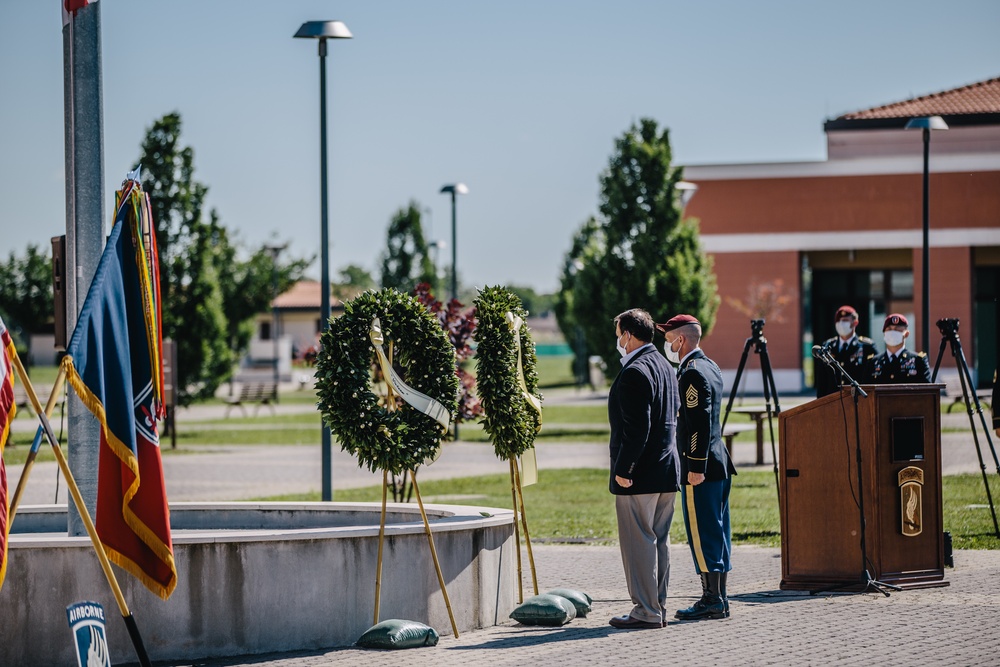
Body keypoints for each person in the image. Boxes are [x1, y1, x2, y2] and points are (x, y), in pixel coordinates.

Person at [606, 308, 681, 630]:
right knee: (658, 542)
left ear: (628, 335)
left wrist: (625, 468)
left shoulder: (636, 370)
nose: (618, 341)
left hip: (640, 474)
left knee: (639, 544)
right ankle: (657, 607)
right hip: (666, 470)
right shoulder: (666, 366)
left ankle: (646, 611)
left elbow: (638, 428)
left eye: (619, 334)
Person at [658, 314, 736, 621]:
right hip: (719, 461)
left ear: (681, 340)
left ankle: (712, 598)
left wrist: (694, 464)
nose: (667, 345)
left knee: (704, 532)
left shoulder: (690, 372)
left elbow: (698, 423)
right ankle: (720, 597)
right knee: (717, 531)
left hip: (702, 466)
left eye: (668, 340)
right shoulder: (710, 366)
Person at [816, 305, 877, 397]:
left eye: (845, 320)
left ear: (855, 322)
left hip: (857, 400)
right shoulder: (827, 346)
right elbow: (822, 381)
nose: (841, 323)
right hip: (832, 401)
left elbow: (872, 378)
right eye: (838, 321)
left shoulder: (867, 347)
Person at [864, 314, 931, 384]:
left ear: (906, 334)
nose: (892, 333)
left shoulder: (918, 360)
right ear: (884, 333)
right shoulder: (873, 362)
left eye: (897, 329)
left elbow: (927, 391)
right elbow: (866, 390)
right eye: (889, 329)